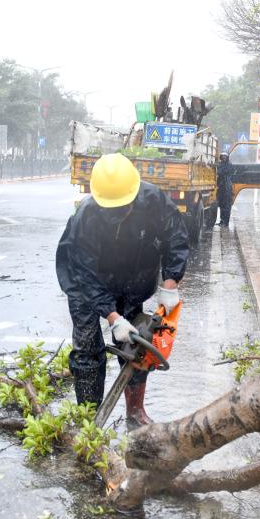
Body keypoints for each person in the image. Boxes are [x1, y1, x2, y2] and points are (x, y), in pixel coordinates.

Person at [55, 153, 189, 428]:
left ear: (134, 193)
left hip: (132, 277)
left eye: (122, 208)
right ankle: (89, 421)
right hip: (85, 283)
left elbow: (175, 236)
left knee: (136, 344)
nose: (116, 215)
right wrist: (113, 318)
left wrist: (171, 283)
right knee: (88, 349)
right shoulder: (86, 217)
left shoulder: (153, 201)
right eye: (110, 210)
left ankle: (135, 413)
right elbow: (84, 275)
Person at [215, 152, 234, 227]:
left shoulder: (229, 165)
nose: (224, 158)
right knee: (222, 205)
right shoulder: (220, 164)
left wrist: (218, 170)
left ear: (227, 157)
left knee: (226, 206)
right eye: (222, 156)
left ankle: (225, 222)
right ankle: (222, 221)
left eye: (225, 156)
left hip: (227, 188)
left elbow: (221, 172)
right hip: (221, 188)